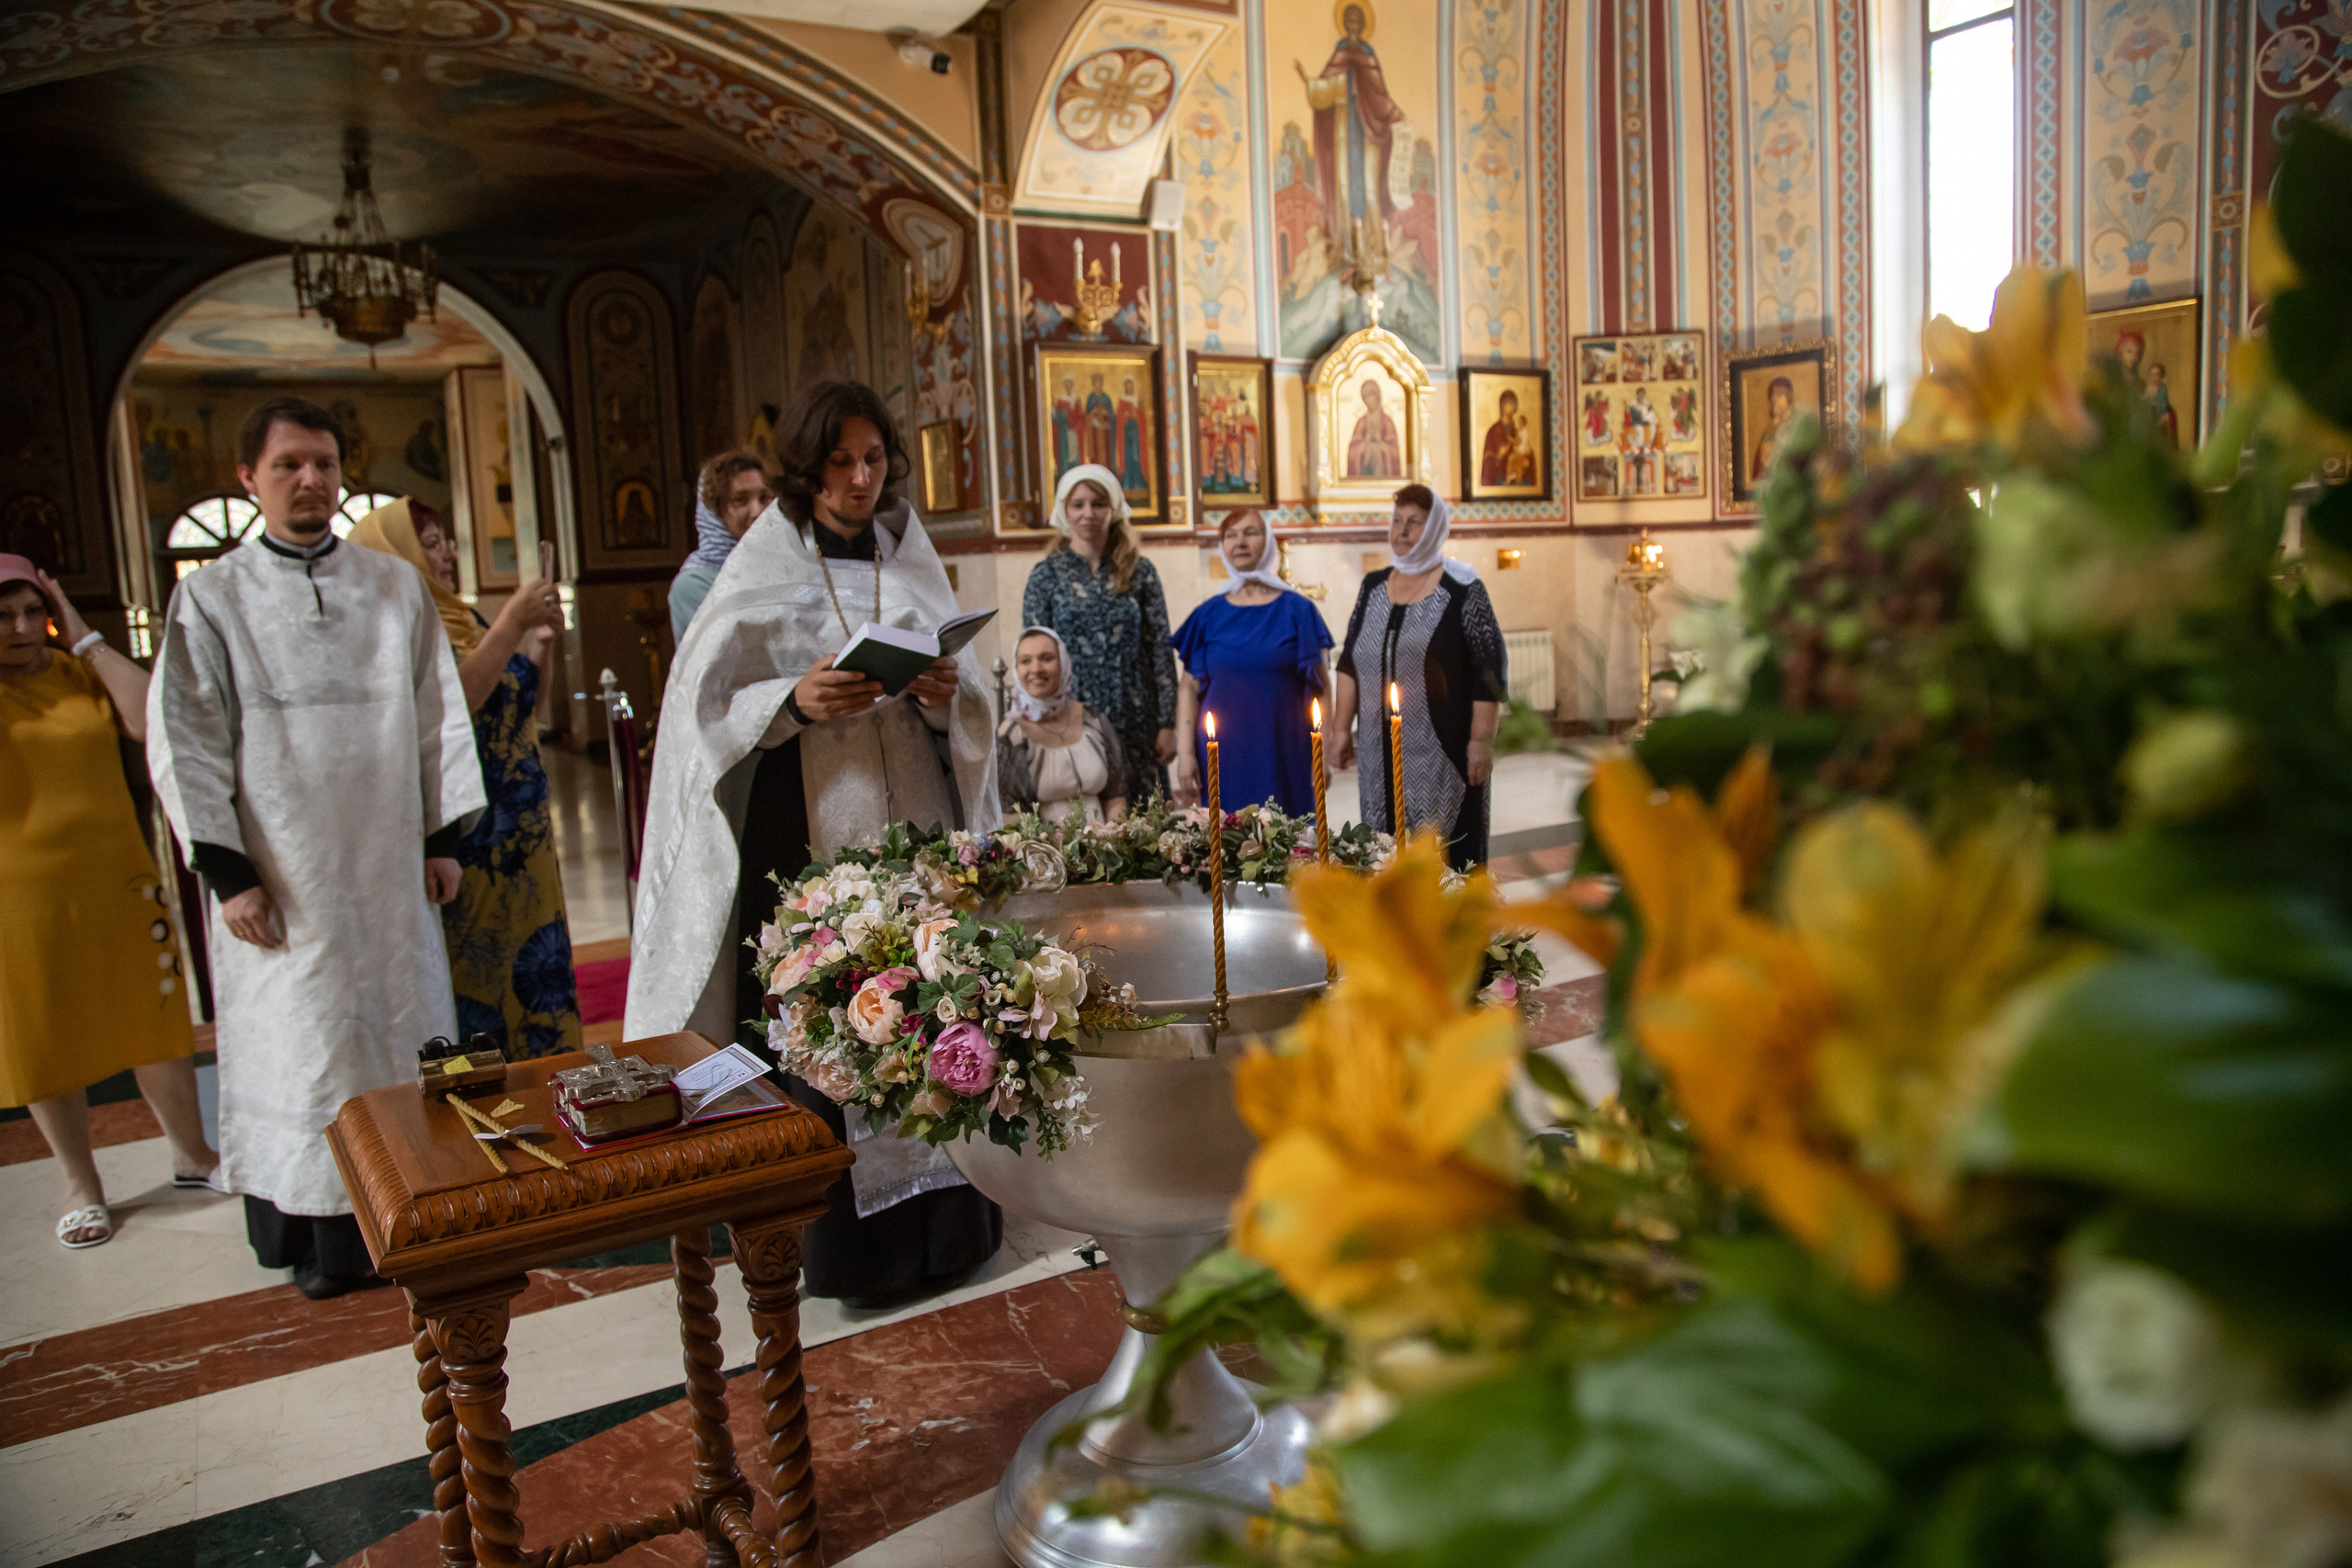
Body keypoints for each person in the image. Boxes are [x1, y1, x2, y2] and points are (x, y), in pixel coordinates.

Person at [626, 380, 1000, 1307]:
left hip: (914, 828)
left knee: (930, 999)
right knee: (832, 1017)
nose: (860, 478)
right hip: (809, 829)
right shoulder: (761, 565)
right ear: (806, 467)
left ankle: (950, 1229)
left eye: (872, 459)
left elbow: (973, 699)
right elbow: (704, 709)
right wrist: (790, 701)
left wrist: (945, 691)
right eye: (839, 461)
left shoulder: (908, 556)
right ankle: (853, 1253)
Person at [148, 395, 485, 1300]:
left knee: (396, 1031)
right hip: (281, 871)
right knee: (303, 1041)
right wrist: (228, 874)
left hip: (389, 863)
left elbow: (436, 718)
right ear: (248, 478)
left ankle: (413, 1205)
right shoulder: (211, 596)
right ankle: (316, 1234)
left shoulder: (394, 588)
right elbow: (186, 739)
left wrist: (442, 838)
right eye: (289, 464)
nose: (310, 480)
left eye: (325, 464)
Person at [2, 558, 218, 1250]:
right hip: (18, 891)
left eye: (33, 611)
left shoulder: (78, 674)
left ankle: (193, 1154)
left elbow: (151, 718)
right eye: (3, 616)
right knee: (44, 1032)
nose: (21, 628)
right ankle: (80, 1183)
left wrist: (82, 631)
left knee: (151, 1014)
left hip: (115, 876)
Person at [348, 498, 578, 1059]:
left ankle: (549, 1083)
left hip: (523, 829)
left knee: (538, 966)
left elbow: (525, 706)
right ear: (395, 554)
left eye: (447, 541)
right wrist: (512, 622)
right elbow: (454, 704)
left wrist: (540, 644)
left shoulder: (464, 618)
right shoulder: (395, 629)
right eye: (431, 544)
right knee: (479, 974)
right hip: (468, 832)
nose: (448, 554)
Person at [1332, 484, 1507, 870]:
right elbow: (1350, 662)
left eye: (1415, 523)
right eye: (1397, 521)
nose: (1402, 531)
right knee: (1383, 853)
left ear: (1435, 529)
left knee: (1445, 858)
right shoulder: (1373, 586)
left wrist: (1481, 741)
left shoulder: (1462, 589)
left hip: (1443, 752)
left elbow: (1489, 669)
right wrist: (1341, 729)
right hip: (1378, 754)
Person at [1022, 464, 1178, 805]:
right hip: (1072, 718)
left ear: (1114, 509)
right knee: (1084, 817)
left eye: (1098, 504)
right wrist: (1039, 718)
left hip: (1136, 715)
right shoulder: (1046, 575)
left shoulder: (1140, 571)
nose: (1088, 513)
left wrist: (1168, 723)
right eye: (1078, 504)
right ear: (1065, 511)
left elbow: (1160, 650)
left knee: (1145, 820)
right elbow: (1034, 655)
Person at [1170, 510, 1333, 819]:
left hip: (1285, 747)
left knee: (1290, 837)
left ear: (1268, 541)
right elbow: (1188, 688)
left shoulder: (1298, 610)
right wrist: (1186, 755)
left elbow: (1321, 688)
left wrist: (1323, 751)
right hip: (1222, 753)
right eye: (1230, 535)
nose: (1240, 542)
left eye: (1250, 533)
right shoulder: (1207, 614)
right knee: (1225, 838)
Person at [996, 626, 1128, 824]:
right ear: (1016, 669)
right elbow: (1011, 817)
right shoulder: (1011, 735)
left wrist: (1114, 835)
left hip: (1104, 838)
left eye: (1047, 658)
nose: (1036, 669)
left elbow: (1115, 795)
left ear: (1064, 663)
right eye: (1025, 661)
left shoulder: (1093, 718)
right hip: (1041, 842)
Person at [670, 449, 775, 644]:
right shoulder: (694, 584)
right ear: (715, 510)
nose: (757, 511)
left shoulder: (786, 563)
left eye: (764, 497)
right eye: (740, 500)